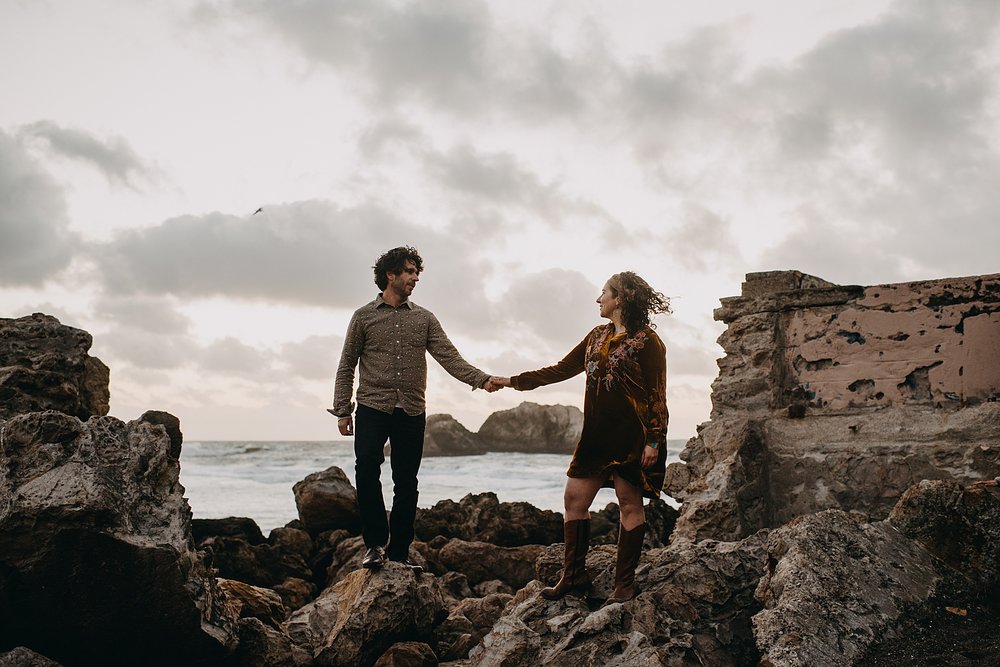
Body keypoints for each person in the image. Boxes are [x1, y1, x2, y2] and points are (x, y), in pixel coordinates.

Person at [490, 271, 670, 603]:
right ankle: (574, 576)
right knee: (574, 501)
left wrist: (654, 440)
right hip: (595, 437)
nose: (598, 299)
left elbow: (657, 395)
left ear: (621, 298)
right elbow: (559, 369)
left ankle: (624, 585)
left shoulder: (648, 342)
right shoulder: (596, 336)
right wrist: (512, 381)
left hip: (632, 436)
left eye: (604, 293)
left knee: (630, 504)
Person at [331, 246, 499, 572]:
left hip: (410, 410)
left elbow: (449, 358)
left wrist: (482, 379)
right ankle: (375, 545)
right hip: (371, 406)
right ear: (390, 275)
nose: (415, 277)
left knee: (406, 482)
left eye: (416, 272)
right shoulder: (363, 316)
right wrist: (342, 409)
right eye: (409, 271)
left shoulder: (424, 318)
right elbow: (346, 365)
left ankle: (399, 553)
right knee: (366, 468)